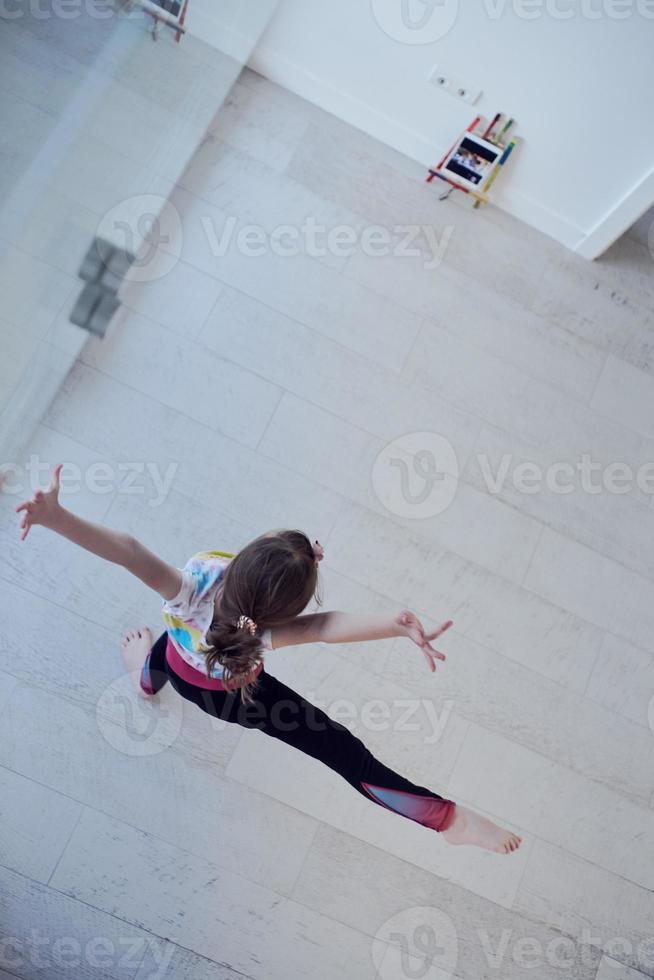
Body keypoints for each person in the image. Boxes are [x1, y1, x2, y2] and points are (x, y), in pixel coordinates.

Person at [16, 464, 522, 854]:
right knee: (342, 751)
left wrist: (57, 517)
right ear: (284, 610)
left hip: (179, 661)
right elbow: (324, 627)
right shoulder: (264, 634)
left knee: (160, 662)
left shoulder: (191, 585)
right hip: (239, 701)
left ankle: (142, 677)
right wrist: (392, 624)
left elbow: (127, 550)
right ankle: (445, 820)